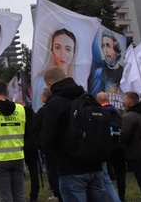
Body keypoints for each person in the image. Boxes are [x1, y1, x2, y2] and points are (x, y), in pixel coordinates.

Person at [39, 67, 104, 202]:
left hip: (70, 166)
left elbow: (47, 138)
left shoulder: (55, 103)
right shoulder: (87, 96)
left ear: (50, 84)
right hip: (95, 163)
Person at [33, 29, 77, 110]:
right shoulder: (39, 82)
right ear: (52, 49)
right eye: (57, 47)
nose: (62, 54)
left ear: (73, 52)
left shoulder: (77, 83)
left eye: (68, 49)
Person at [88, 31, 124, 102]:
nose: (105, 50)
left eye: (108, 45)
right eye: (103, 46)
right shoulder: (98, 71)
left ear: (117, 51)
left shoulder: (124, 73)